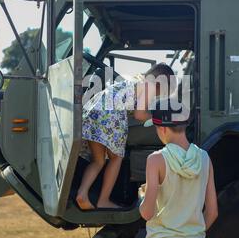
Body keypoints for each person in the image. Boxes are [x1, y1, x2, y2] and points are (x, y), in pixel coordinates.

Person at [139, 97, 218, 238]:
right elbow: (212, 212)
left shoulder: (156, 160)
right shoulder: (204, 158)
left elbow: (146, 213)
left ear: (162, 129)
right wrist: (195, 232)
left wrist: (143, 196)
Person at [76, 63, 177, 210]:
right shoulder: (149, 87)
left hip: (94, 113)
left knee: (98, 161)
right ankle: (103, 200)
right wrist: (157, 118)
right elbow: (139, 114)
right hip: (110, 117)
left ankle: (82, 194)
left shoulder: (136, 81)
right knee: (116, 159)